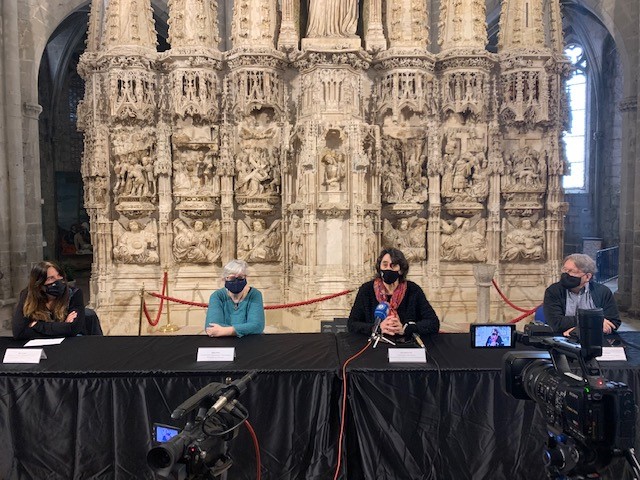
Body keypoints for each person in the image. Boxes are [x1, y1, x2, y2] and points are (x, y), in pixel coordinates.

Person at [348, 248, 440, 338]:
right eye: (385, 265)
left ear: (401, 270)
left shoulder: (413, 290)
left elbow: (433, 323)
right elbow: (352, 324)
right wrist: (377, 328)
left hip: (405, 343)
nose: (388, 268)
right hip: (376, 343)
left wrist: (406, 329)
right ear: (379, 268)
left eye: (393, 265)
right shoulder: (366, 290)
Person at [543, 253, 620, 336]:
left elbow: (613, 322)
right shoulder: (553, 291)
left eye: (572, 271)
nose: (566, 274)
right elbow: (556, 323)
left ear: (587, 277)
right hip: (562, 338)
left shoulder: (603, 291)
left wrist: (576, 331)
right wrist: (594, 321)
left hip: (594, 337)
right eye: (565, 270)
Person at [12, 261, 85, 339]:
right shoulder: (28, 295)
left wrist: (37, 326)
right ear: (39, 285)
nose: (58, 280)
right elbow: (19, 333)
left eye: (59, 275)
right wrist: (62, 327)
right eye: (51, 278)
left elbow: (73, 329)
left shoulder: (74, 293)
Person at [204, 259, 265, 337]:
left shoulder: (255, 294)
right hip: (224, 342)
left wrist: (225, 331)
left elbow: (257, 326)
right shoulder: (217, 296)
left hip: (250, 341)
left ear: (245, 278)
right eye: (232, 278)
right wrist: (246, 329)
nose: (236, 281)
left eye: (240, 277)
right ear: (224, 279)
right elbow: (211, 327)